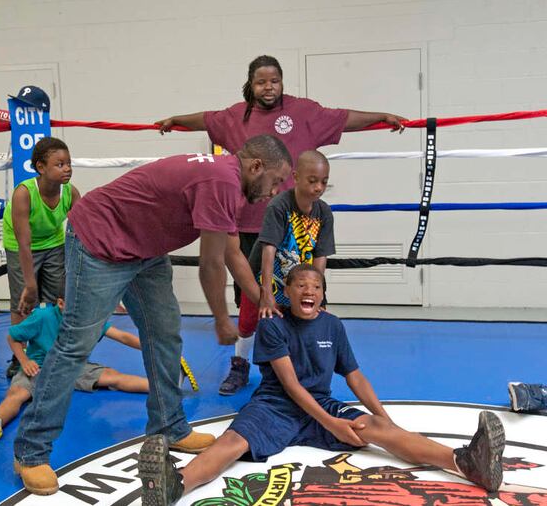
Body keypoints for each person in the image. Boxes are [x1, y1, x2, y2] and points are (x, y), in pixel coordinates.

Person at [12, 135, 293, 496]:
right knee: (74, 345)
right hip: (101, 242)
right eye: (274, 182)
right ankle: (30, 452)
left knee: (165, 333)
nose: (273, 192)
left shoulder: (230, 182)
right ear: (256, 166)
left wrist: (266, 303)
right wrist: (223, 320)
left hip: (144, 249)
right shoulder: (222, 181)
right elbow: (210, 264)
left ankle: (169, 426)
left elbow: (233, 253)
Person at [138, 264, 507, 505]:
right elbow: (292, 385)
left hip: (320, 405)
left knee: (375, 427)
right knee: (233, 442)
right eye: (300, 285)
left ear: (323, 293)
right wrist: (332, 425)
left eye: (316, 285)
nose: (308, 290)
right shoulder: (272, 324)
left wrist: (385, 419)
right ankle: (175, 484)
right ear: (289, 290)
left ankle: (466, 463)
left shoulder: (333, 325)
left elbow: (354, 375)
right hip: (275, 406)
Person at [156, 54, 407, 393]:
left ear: (282, 81)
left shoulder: (303, 112)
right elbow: (205, 119)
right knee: (251, 299)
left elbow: (344, 118)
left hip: (292, 227)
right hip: (245, 224)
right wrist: (175, 121)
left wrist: (382, 116)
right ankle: (241, 364)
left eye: (274, 80)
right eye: (261, 81)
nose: (268, 87)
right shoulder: (235, 116)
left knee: (296, 296)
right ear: (250, 84)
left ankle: (296, 366)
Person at [222, 150, 334, 395]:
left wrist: (319, 293)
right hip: (265, 276)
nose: (318, 187)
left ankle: (295, 374)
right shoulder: (279, 205)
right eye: (312, 180)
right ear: (295, 177)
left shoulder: (323, 213)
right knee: (250, 321)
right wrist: (264, 292)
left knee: (298, 323)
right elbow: (268, 250)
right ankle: (239, 366)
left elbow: (321, 255)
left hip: (298, 282)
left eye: (323, 182)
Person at [0, 297, 148, 443]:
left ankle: (162, 385)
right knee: (17, 393)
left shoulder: (88, 319)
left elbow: (122, 336)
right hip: (40, 366)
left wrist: (152, 348)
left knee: (113, 377)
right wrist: (25, 360)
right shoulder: (42, 317)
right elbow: (13, 337)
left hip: (74, 365)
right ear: (60, 303)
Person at [2, 136, 80, 378]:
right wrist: (30, 283)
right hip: (21, 246)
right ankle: (19, 357)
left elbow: (84, 229)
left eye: (68, 163)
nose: (67, 168)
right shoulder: (24, 193)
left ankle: (51, 351)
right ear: (41, 167)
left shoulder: (70, 192)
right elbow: (24, 243)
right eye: (59, 164)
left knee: (56, 298)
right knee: (24, 301)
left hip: (54, 242)